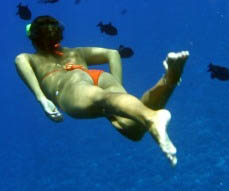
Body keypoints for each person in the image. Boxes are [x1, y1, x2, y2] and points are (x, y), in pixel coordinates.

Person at [14, 15, 188, 166]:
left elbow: (20, 61)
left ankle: (153, 117)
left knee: (107, 101)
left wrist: (42, 99)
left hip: (70, 84)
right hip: (98, 76)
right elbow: (112, 53)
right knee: (133, 130)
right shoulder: (76, 52)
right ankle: (169, 80)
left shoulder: (30, 58)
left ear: (33, 39)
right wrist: (118, 96)